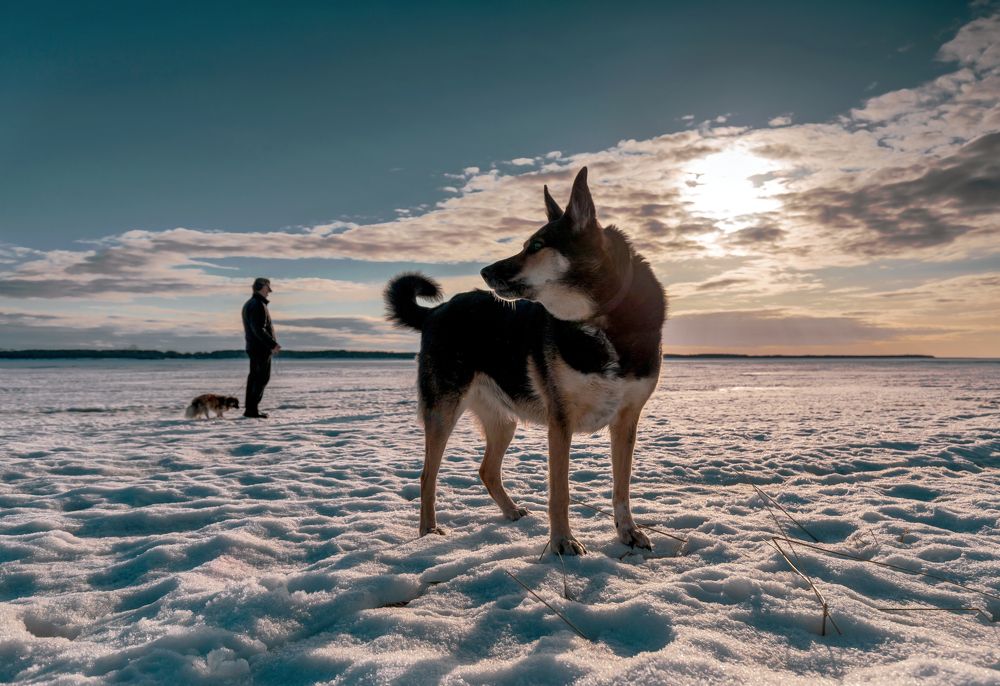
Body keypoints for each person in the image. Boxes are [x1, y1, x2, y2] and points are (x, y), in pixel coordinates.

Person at [241, 277, 281, 418]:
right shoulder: (257, 304)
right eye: (268, 288)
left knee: (255, 378)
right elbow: (258, 329)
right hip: (260, 349)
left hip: (255, 348)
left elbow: (257, 329)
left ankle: (250, 410)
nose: (269, 291)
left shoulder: (252, 303)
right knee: (260, 378)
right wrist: (272, 344)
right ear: (263, 287)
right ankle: (251, 410)